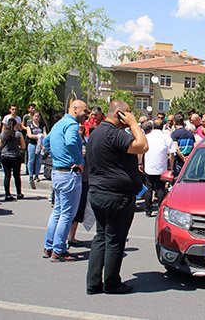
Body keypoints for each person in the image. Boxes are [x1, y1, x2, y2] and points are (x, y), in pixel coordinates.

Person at [86, 99, 148, 295]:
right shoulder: (114, 134)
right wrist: (134, 124)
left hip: (98, 193)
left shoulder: (96, 133)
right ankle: (112, 283)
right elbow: (142, 146)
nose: (131, 115)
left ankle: (93, 283)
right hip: (115, 197)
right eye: (128, 112)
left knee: (101, 237)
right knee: (115, 240)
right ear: (119, 113)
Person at [42, 99, 88, 262]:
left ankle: (49, 246)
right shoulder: (71, 125)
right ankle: (59, 250)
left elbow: (46, 142)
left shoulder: (58, 124)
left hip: (57, 172)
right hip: (69, 173)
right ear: (75, 109)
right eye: (85, 111)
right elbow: (70, 141)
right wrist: (79, 161)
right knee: (67, 214)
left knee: (57, 211)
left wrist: (57, 155)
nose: (86, 114)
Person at [143, 119, 174, 217]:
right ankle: (160, 209)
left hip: (149, 166)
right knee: (160, 189)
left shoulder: (146, 137)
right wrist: (171, 166)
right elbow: (171, 154)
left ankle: (148, 210)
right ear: (163, 126)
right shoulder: (167, 138)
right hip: (161, 167)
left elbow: (141, 151)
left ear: (152, 127)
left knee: (149, 188)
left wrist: (140, 163)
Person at [0, 118, 25, 201]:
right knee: (17, 176)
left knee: (7, 175)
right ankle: (19, 193)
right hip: (16, 156)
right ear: (15, 124)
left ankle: (7, 194)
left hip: (5, 156)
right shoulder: (18, 134)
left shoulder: (2, 134)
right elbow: (23, 146)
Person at [26, 112, 46, 189]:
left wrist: (44, 143)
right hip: (32, 144)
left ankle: (36, 175)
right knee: (31, 160)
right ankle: (31, 175)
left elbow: (45, 134)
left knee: (39, 160)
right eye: (35, 116)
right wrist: (38, 136)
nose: (36, 118)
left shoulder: (41, 125)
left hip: (40, 144)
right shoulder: (29, 125)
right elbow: (29, 135)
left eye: (38, 116)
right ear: (33, 117)